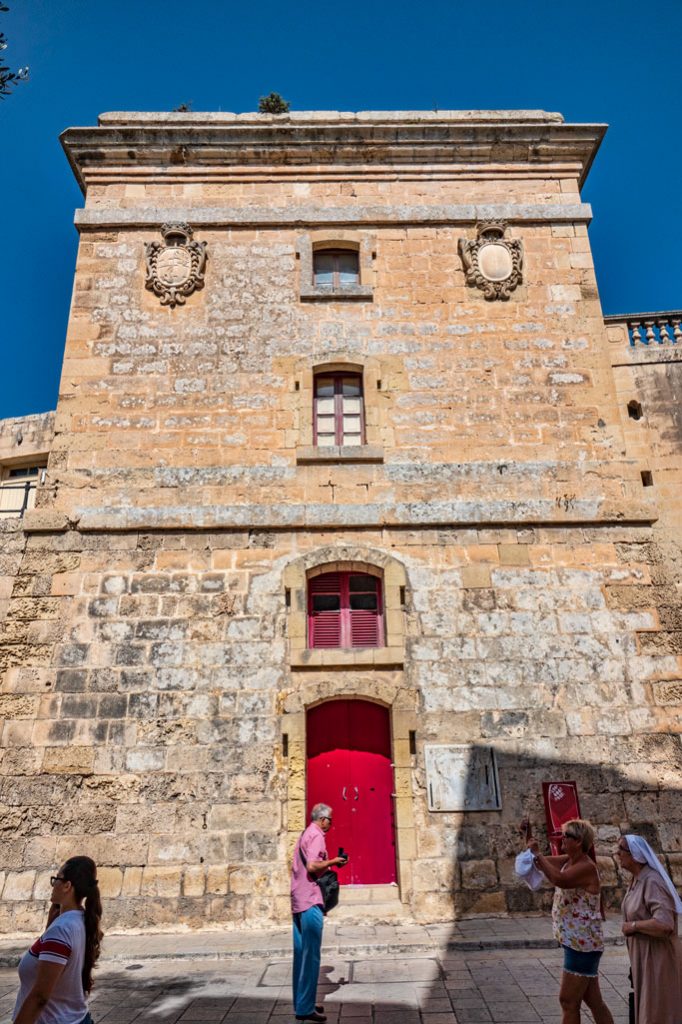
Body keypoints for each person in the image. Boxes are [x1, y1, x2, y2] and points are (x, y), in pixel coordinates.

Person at [525, 818, 614, 1024]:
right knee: (594, 1001)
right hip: (577, 942)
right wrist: (528, 836)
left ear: (579, 841)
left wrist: (538, 852)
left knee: (568, 1001)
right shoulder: (568, 861)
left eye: (567, 836)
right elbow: (538, 862)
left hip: (582, 945)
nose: (562, 839)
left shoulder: (586, 867)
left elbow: (560, 880)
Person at [12, 856, 102, 1024]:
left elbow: (40, 996)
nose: (53, 885)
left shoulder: (61, 930)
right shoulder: (80, 920)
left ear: (67, 886)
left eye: (56, 879)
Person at [616, 833, 682, 1024]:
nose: (617, 853)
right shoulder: (636, 880)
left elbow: (665, 923)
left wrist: (634, 926)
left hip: (658, 960)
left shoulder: (651, 882)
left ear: (635, 855)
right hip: (644, 958)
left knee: (658, 1013)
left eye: (621, 849)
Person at [291, 803, 347, 1024]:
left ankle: (302, 1003)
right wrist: (334, 861)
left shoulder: (305, 833)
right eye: (330, 820)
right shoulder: (317, 836)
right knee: (312, 956)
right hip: (310, 900)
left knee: (300, 955)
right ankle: (305, 1009)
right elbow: (314, 866)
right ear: (323, 819)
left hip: (298, 898)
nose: (331, 824)